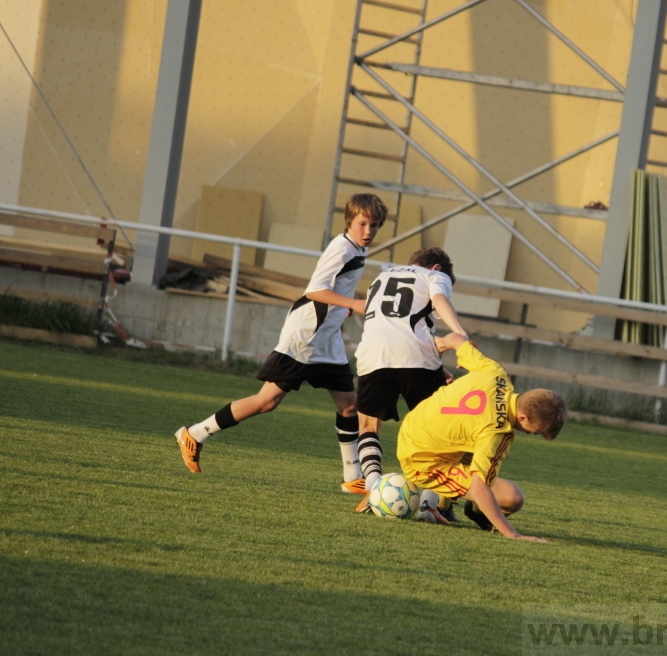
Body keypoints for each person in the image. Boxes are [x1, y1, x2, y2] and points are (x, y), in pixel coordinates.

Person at [173, 193, 388, 488]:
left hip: (327, 338)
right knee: (267, 401)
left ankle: (352, 477)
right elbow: (315, 291)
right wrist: (354, 303)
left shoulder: (356, 249)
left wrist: (342, 306)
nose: (368, 231)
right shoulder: (342, 249)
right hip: (306, 336)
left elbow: (332, 290)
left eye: (374, 225)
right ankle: (195, 433)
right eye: (363, 223)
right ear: (350, 221)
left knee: (349, 404)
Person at [393, 333, 566, 542]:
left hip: (413, 425)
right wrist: (514, 535)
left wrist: (441, 344)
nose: (529, 433)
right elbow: (479, 487)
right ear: (523, 417)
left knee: (470, 441)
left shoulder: (497, 373)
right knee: (513, 498)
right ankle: (477, 512)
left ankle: (444, 506)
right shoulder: (497, 431)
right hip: (421, 460)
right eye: (534, 430)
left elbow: (457, 339)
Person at [350, 248, 469, 518]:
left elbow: (387, 319)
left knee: (368, 425)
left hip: (373, 354)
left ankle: (372, 489)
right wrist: (461, 335)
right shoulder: (434, 276)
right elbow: (438, 299)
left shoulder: (382, 276)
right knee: (441, 431)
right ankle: (430, 504)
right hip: (416, 357)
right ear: (436, 268)